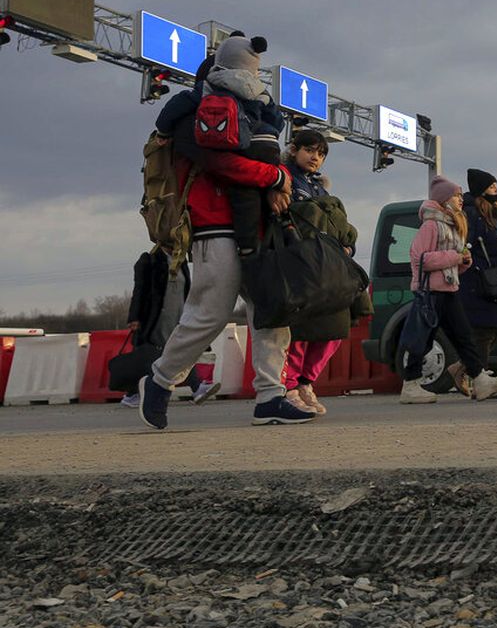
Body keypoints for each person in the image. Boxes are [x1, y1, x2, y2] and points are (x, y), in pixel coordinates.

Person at [137, 43, 310, 429]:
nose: (249, 82)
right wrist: (277, 176)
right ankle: (160, 380)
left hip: (257, 224)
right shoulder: (192, 114)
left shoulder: (251, 115)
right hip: (214, 224)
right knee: (209, 314)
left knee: (270, 311)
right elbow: (221, 163)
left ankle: (270, 396)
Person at [280, 129, 371, 415]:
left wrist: (347, 248)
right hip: (302, 265)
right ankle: (291, 387)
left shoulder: (320, 188)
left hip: (329, 265)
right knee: (302, 332)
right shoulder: (283, 179)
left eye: (321, 154)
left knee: (335, 327)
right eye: (310, 151)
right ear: (294, 149)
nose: (315, 158)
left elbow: (339, 226)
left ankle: (307, 381)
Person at [399, 176, 497, 403]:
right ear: (444, 199)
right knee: (423, 337)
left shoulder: (450, 223)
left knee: (464, 336)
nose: (461, 200)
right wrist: (455, 257)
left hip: (449, 289)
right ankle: (410, 385)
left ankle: (480, 380)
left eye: (461, 195)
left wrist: (463, 263)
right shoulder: (431, 225)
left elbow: (446, 262)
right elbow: (420, 258)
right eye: (456, 196)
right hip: (430, 291)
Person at [199, 34, 288, 257]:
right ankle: (286, 230)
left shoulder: (210, 85)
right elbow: (277, 120)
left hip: (243, 146)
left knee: (244, 193)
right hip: (269, 145)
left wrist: (162, 130)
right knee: (277, 194)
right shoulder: (258, 88)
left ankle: (248, 248)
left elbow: (219, 164)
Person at [120, 247, 219, 407]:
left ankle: (197, 388)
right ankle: (133, 394)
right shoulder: (149, 260)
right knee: (155, 354)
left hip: (179, 316)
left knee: (181, 350)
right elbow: (139, 289)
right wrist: (135, 316)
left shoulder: (181, 261)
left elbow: (188, 290)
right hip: (156, 318)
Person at [449, 168, 497, 398]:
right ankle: (482, 382)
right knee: (484, 332)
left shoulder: (490, 213)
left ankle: (462, 367)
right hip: (476, 281)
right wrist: (473, 265)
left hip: (492, 279)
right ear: (481, 190)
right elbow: (464, 242)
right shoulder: (472, 213)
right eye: (492, 186)